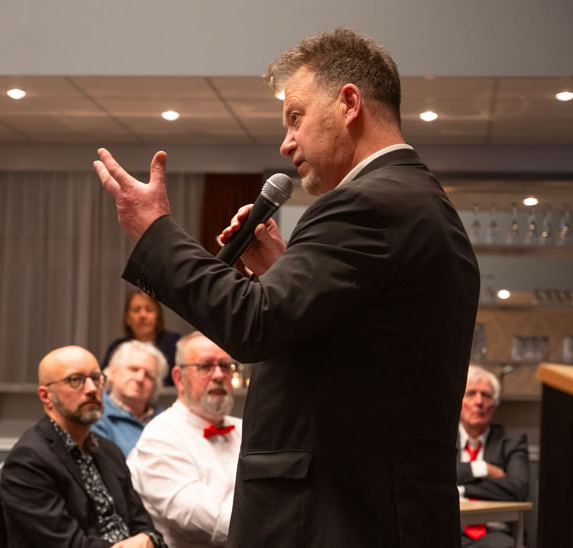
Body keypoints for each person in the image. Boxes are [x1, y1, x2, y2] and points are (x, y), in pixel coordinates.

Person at [94, 27, 480, 547]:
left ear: (348, 104)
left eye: (296, 117)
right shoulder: (418, 200)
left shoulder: (369, 203)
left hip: (340, 518)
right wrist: (282, 269)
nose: (286, 142)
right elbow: (358, 351)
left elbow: (253, 324)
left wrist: (155, 232)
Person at [0, 345, 166, 548]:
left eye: (96, 378)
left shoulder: (108, 450)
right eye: (75, 380)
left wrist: (149, 539)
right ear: (46, 396)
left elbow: (143, 524)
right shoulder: (28, 460)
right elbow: (66, 544)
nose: (92, 389)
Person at [127, 332, 242, 548]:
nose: (219, 375)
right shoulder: (160, 437)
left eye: (225, 366)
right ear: (179, 378)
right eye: (205, 366)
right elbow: (213, 522)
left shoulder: (245, 430)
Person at [458, 365, 529, 547]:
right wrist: (482, 469)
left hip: (496, 534)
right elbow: (436, 477)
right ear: (459, 401)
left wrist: (461, 489)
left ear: (495, 405)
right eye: (471, 393)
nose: (479, 402)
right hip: (452, 530)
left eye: (486, 395)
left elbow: (518, 489)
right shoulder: (445, 441)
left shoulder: (512, 441)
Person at [91, 340, 168, 456]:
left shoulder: (167, 419)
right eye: (133, 369)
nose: (140, 378)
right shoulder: (95, 415)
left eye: (149, 375)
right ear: (112, 373)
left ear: (156, 386)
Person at [102, 290, 180, 385]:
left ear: (158, 317)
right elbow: (104, 382)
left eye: (149, 310)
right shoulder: (117, 347)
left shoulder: (173, 343)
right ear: (127, 318)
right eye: (136, 310)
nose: (142, 315)